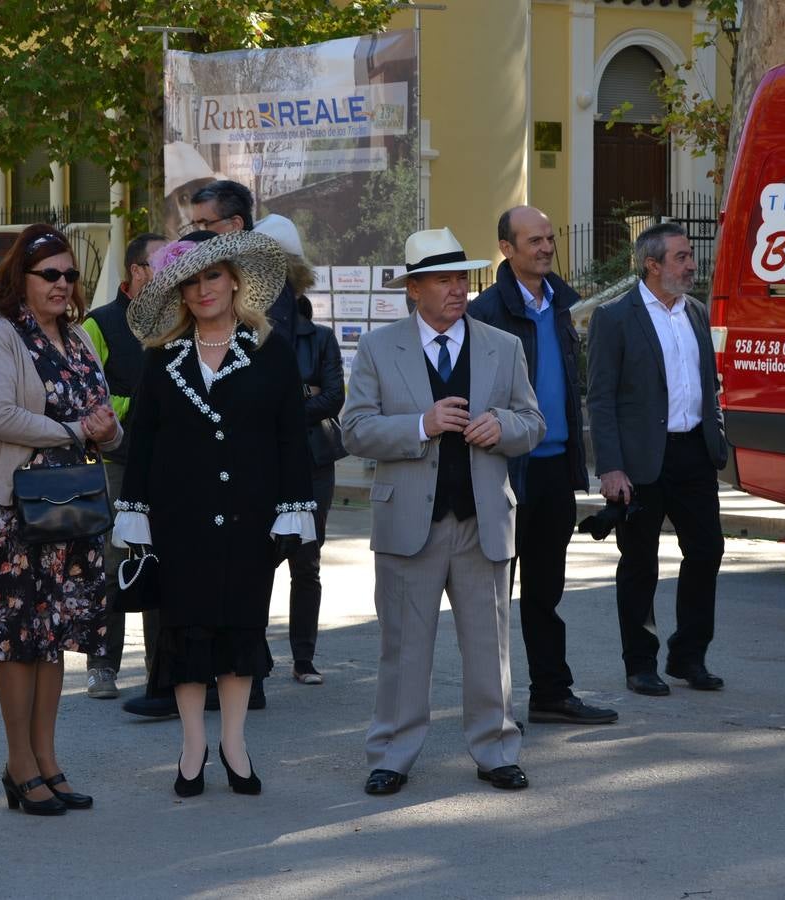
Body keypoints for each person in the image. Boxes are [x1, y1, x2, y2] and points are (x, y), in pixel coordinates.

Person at [342, 227, 546, 795]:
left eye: (462, 277)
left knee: (490, 647)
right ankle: (392, 755)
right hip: (409, 522)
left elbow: (533, 422)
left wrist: (502, 427)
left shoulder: (502, 346)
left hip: (483, 521)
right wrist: (419, 426)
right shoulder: (380, 348)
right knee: (404, 648)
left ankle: (496, 749)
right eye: (443, 279)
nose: (458, 289)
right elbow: (354, 429)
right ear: (414, 289)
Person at [114, 229, 314, 798]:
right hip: (180, 521)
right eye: (192, 282)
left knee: (239, 631)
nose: (203, 290)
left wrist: (291, 512)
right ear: (179, 294)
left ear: (234, 281)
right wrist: (136, 517)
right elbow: (144, 443)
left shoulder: (269, 349)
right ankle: (192, 747)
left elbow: (290, 440)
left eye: (213, 277)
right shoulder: (162, 359)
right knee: (186, 633)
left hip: (250, 518)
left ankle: (234, 743)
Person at [0, 224, 120, 816]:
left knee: (54, 640)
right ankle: (19, 766)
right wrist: (74, 431)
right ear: (23, 277)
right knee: (18, 643)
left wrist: (109, 429)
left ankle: (49, 761)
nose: (64, 285)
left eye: (71, 276)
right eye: (51, 275)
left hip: (71, 507)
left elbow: (103, 413)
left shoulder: (79, 339)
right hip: (14, 511)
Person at [467, 206, 617, 726]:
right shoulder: (486, 312)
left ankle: (551, 692)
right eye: (534, 240)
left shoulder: (560, 305)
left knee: (547, 591)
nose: (546, 247)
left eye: (550, 238)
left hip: (554, 468)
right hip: (505, 470)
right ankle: (494, 704)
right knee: (495, 597)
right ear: (506, 249)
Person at [587, 222, 728, 696]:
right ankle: (640, 662)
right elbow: (601, 398)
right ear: (653, 265)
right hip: (640, 460)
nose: (692, 265)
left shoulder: (696, 313)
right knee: (640, 563)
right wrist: (610, 466)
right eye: (682, 257)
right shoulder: (615, 317)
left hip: (693, 454)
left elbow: (709, 386)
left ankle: (688, 656)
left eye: (690, 256)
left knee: (707, 552)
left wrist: (717, 437)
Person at [256, 213, 346, 686]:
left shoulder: (323, 338)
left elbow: (333, 397)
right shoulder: (252, 333)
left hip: (314, 461)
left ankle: (304, 658)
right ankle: (255, 652)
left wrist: (290, 401)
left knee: (306, 561)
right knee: (260, 556)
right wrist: (300, 395)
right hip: (264, 462)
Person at [81, 232, 167, 703]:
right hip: (115, 462)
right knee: (113, 563)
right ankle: (102, 666)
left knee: (162, 562)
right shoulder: (99, 324)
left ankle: (161, 670)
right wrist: (141, 403)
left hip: (168, 465)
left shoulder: (179, 319)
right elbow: (87, 394)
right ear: (137, 271)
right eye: (162, 263)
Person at [187, 179, 298, 345]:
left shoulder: (266, 276)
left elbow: (275, 351)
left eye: (204, 224)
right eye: (194, 226)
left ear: (235, 225)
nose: (196, 235)